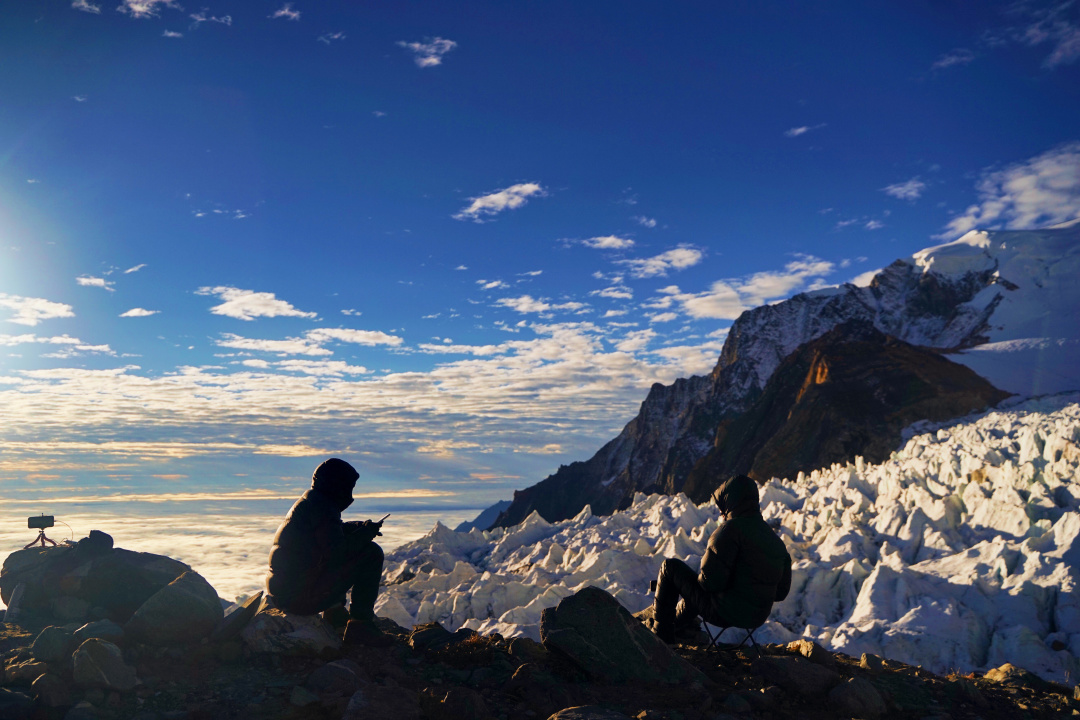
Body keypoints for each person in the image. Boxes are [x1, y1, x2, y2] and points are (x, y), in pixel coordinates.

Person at [650, 474, 792, 644]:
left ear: (730, 502)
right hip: (756, 618)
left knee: (669, 568)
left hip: (724, 613)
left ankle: (659, 635)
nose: (720, 511)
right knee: (696, 591)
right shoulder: (775, 540)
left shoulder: (729, 530)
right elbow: (781, 593)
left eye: (722, 505)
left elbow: (709, 583)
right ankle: (676, 628)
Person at [265, 457, 391, 646]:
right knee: (371, 553)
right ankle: (360, 627)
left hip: (287, 593)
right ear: (337, 486)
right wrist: (365, 534)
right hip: (298, 599)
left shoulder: (312, 503)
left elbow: (330, 533)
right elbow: (338, 553)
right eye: (348, 487)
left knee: (325, 560)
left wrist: (358, 527)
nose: (350, 494)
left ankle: (335, 614)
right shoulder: (322, 508)